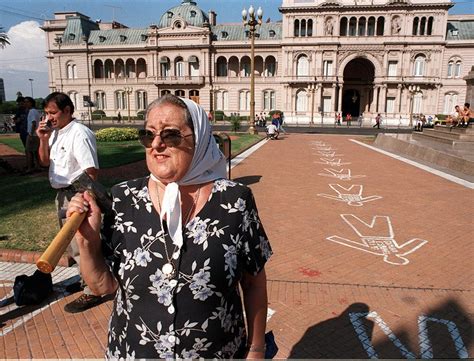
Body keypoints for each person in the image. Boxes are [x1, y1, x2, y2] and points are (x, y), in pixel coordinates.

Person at [65, 94, 272, 359]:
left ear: (198, 138)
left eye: (171, 135)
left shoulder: (235, 201)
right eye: (148, 135)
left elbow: (254, 283)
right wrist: (87, 242)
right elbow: (103, 287)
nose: (157, 144)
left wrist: (256, 350)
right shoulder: (123, 199)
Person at [36, 92, 102, 313]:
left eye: (53, 112)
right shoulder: (54, 134)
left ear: (67, 110)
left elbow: (91, 171)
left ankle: (92, 290)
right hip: (61, 195)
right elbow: (45, 161)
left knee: (82, 244)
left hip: (76, 195)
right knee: (72, 245)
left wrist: (83, 200)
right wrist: (43, 139)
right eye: (46, 113)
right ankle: (86, 280)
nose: (49, 118)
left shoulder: (79, 133)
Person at [23, 97, 41, 174]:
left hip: (32, 134)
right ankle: (38, 166)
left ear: (31, 103)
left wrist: (30, 134)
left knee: (29, 151)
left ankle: (30, 168)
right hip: (36, 134)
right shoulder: (35, 111)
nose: (25, 103)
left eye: (27, 102)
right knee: (35, 151)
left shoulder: (32, 111)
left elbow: (33, 123)